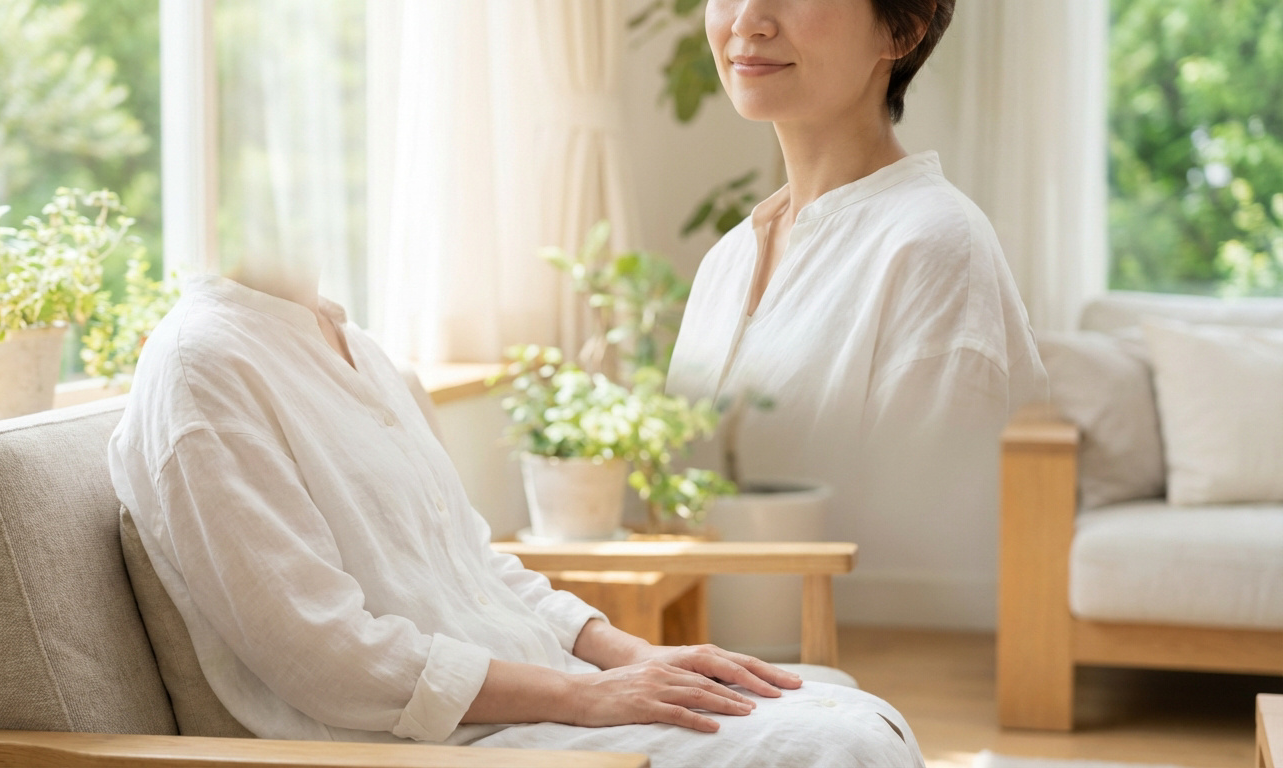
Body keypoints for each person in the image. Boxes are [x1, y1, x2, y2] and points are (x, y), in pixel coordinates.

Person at [109, 246, 924, 765]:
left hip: (532, 699)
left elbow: (476, 564)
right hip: (419, 746)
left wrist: (630, 656)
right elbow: (324, 652)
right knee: (837, 746)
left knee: (846, 711)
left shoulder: (356, 347)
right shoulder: (203, 367)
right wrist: (584, 698)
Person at [667, 0, 1048, 603]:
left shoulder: (934, 247)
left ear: (904, 27)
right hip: (696, 665)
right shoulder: (729, 259)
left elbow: (927, 571)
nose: (748, 20)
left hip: (830, 679)